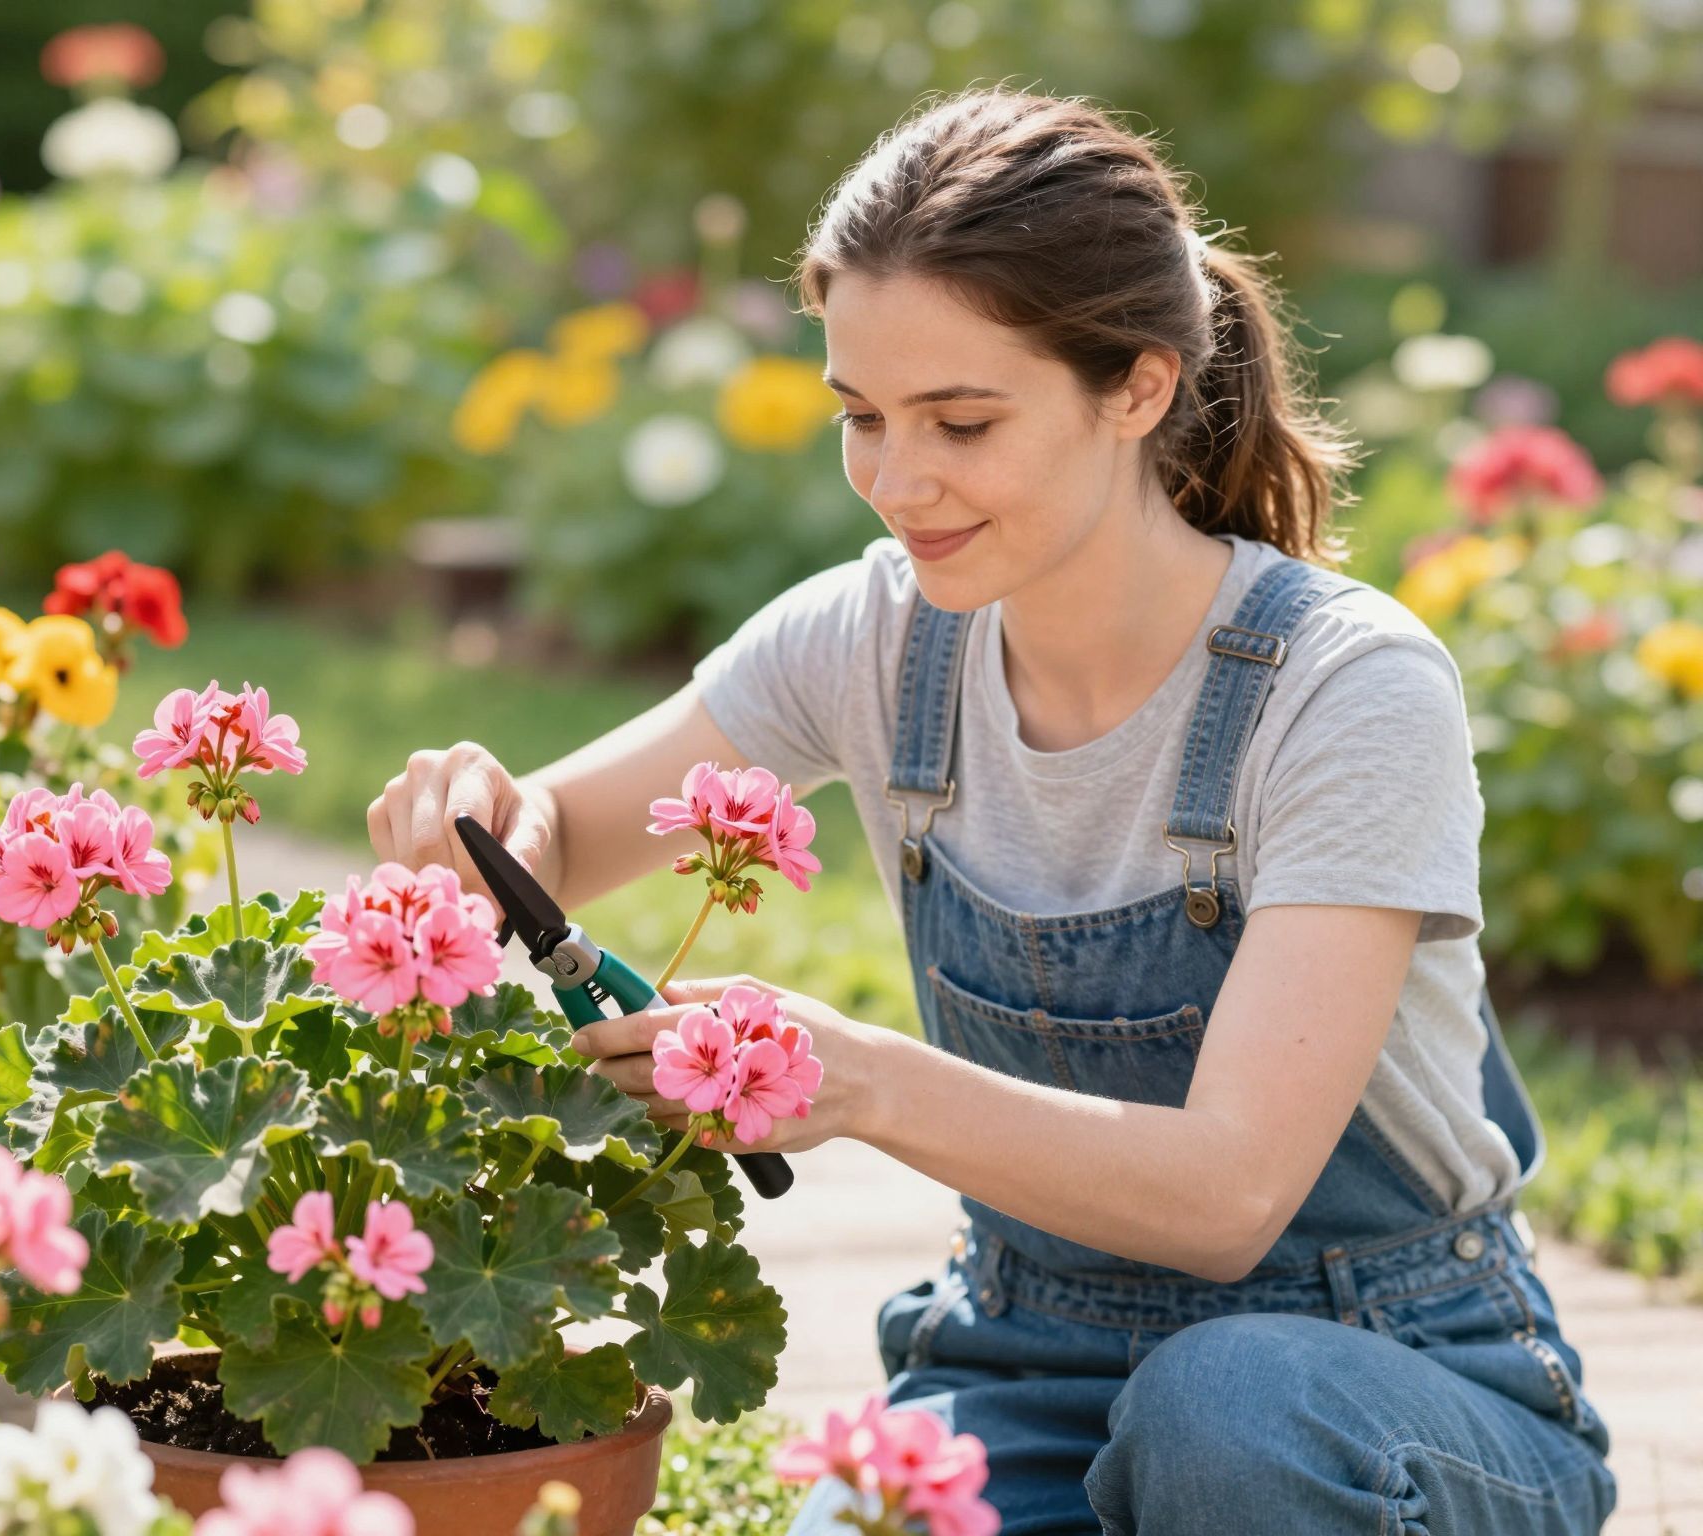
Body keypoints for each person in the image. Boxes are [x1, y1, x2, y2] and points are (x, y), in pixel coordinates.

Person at [368, 87, 1618, 1535]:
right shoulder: (877, 639)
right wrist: (480, 837)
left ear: (1137, 387)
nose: (900, 484)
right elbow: (563, 836)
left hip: (1377, 1382)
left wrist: (872, 1081)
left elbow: (1230, 1198)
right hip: (1026, 1354)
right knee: (858, 1515)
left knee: (1225, 1420)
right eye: (863, 418)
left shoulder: (1346, 689)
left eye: (962, 420)